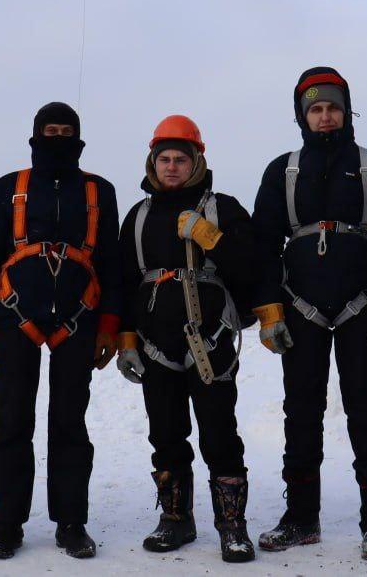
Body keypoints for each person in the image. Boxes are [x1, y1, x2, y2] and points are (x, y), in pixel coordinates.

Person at [251, 67, 367, 561]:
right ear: (302, 115)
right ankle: (301, 518)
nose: (324, 116)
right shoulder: (283, 170)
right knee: (301, 412)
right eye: (314, 109)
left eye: (332, 107)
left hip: (362, 306)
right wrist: (269, 307)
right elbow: (261, 245)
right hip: (300, 308)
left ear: (346, 111)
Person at [0, 103, 122, 560]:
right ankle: (8, 524)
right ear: (35, 137)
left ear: (78, 138)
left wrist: (110, 325)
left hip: (79, 320)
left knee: (70, 423)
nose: (57, 138)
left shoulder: (99, 191)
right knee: (12, 421)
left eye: (65, 131)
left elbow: (112, 264)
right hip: (15, 319)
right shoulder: (8, 189)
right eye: (49, 131)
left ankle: (71, 523)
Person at [116, 115, 266, 563]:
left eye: (181, 159)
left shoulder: (223, 209)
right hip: (154, 344)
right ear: (152, 162)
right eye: (165, 159)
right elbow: (123, 280)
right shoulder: (139, 217)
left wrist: (211, 238)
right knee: (165, 432)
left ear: (197, 161)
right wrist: (125, 338)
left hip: (211, 343)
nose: (172, 166)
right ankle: (176, 518)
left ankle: (232, 526)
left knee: (220, 432)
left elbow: (253, 267)